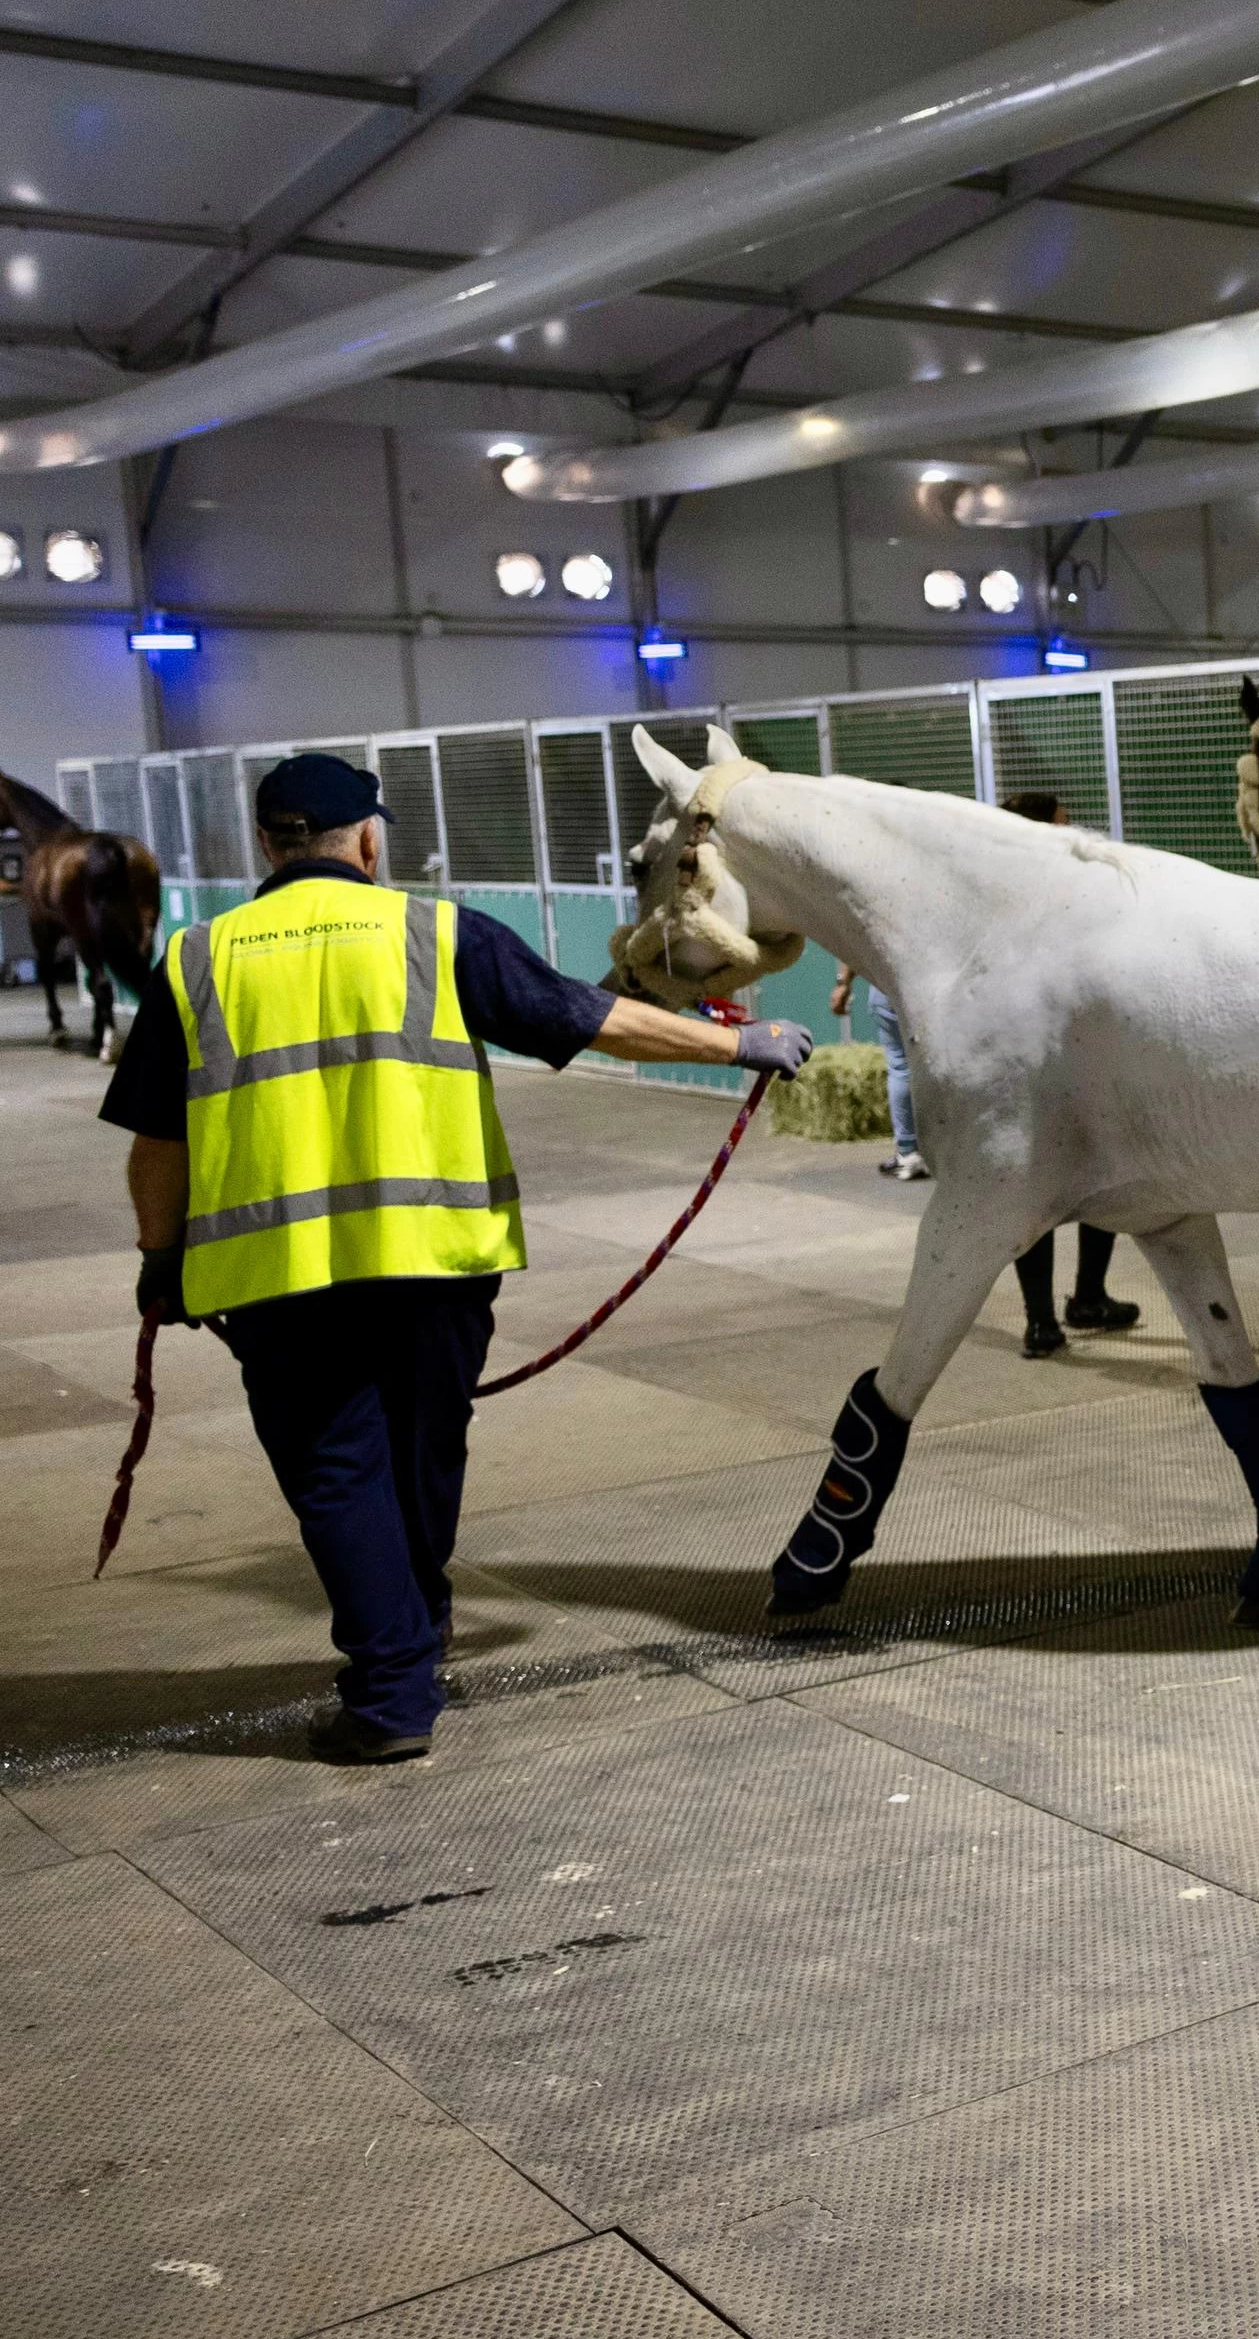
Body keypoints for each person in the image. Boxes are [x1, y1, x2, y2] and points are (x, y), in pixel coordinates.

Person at [102, 752, 808, 1764]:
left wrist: (160, 1258)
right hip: (435, 1261)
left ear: (266, 843)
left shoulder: (198, 958)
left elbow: (157, 1145)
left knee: (338, 1472)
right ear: (368, 840)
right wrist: (740, 1045)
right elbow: (590, 1019)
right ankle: (412, 1637)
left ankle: (393, 1685)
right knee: (420, 1453)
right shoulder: (436, 933)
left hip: (278, 1275)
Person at [994, 790, 1140, 1357]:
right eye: (1063, 823)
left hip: (1024, 1064)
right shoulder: (1066, 897)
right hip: (1075, 1059)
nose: (1073, 832)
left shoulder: (999, 902)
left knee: (1036, 1190)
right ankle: (1083, 1299)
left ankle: (1045, 1321)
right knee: (1099, 1178)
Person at [829, 961, 925, 1178]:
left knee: (901, 1066)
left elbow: (855, 945)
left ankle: (908, 1152)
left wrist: (843, 983)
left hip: (889, 986)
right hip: (931, 987)